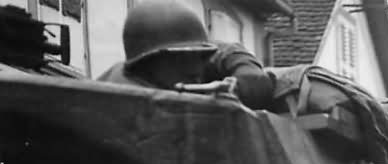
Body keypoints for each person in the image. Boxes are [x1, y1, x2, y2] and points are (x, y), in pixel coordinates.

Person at [97, 0, 274, 110]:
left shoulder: (188, 67)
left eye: (200, 55)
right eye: (180, 58)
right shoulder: (112, 101)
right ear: (147, 65)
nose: (196, 67)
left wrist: (241, 84)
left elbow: (231, 54)